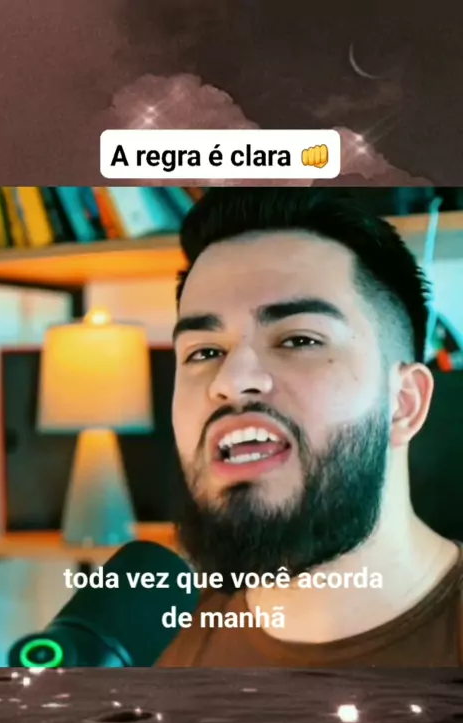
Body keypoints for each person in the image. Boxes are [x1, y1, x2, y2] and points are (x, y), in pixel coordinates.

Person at [156, 188, 463, 667]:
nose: (230, 381)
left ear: (404, 403)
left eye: (299, 340)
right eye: (205, 352)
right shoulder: (156, 653)